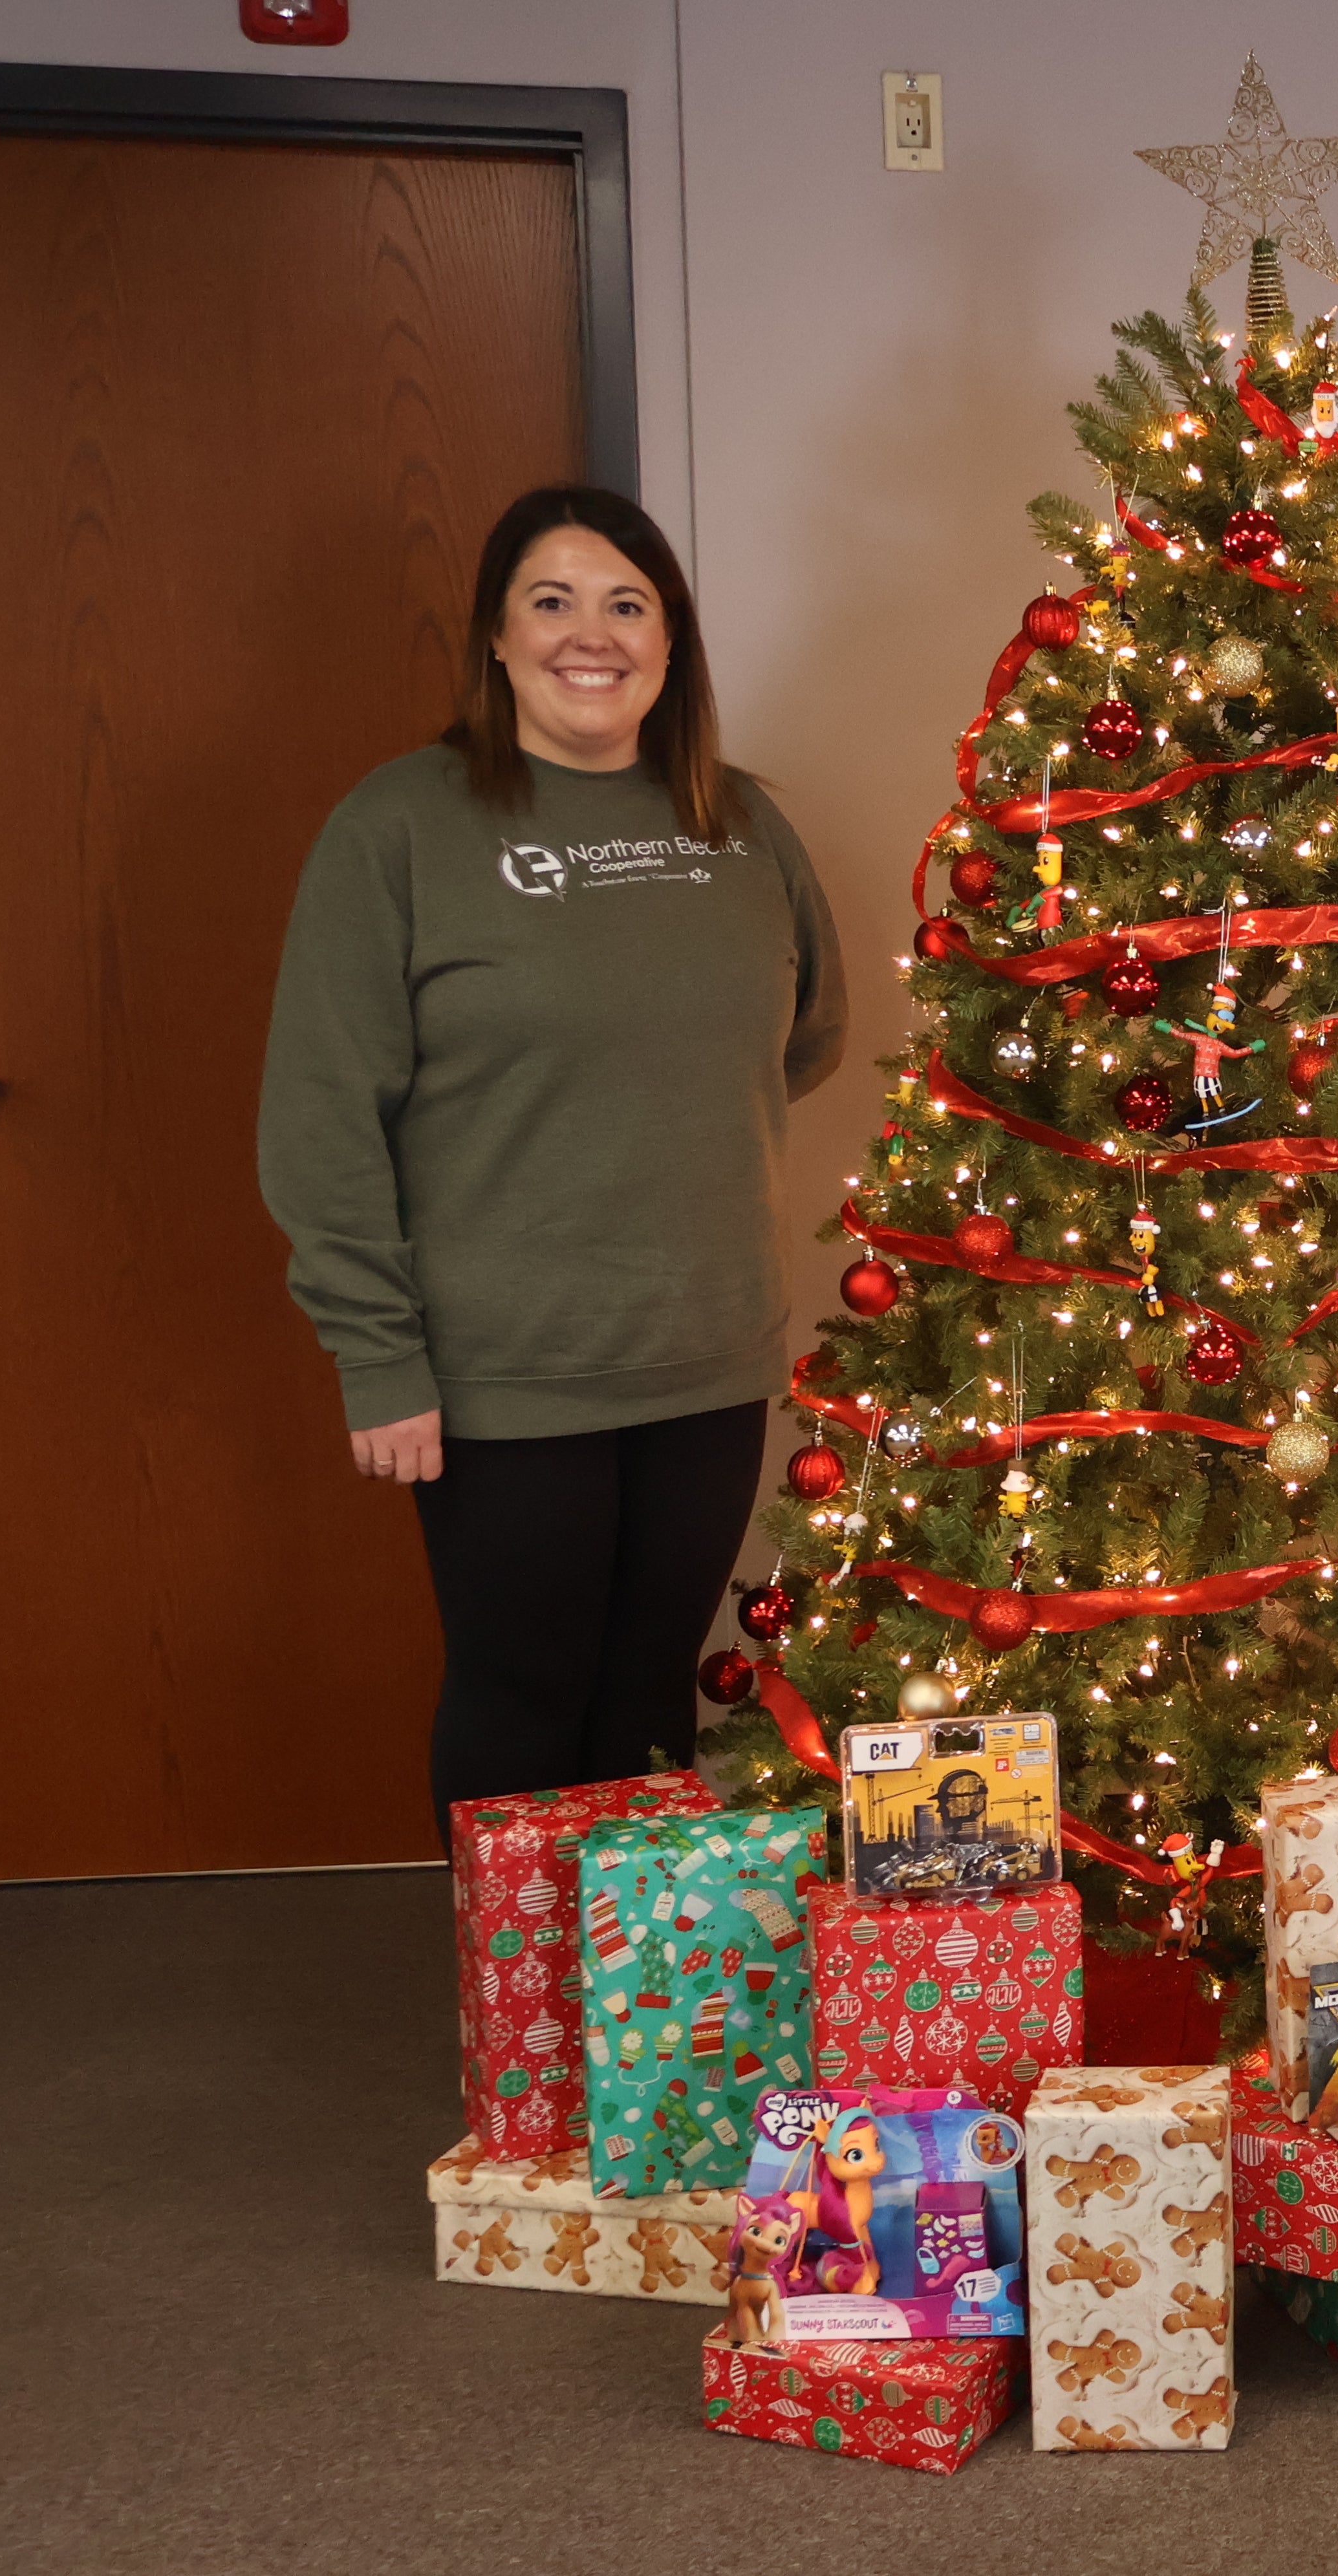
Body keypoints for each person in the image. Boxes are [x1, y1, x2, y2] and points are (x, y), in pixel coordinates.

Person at [259, 485, 848, 1824]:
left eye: (629, 603)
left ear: (671, 641)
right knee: (522, 1699)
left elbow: (800, 1036)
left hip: (705, 1351)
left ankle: (622, 2031)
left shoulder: (740, 823)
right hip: (499, 1371)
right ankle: (516, 2027)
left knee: (646, 1699)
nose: (595, 633)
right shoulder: (401, 826)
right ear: (497, 641)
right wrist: (378, 1351)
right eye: (553, 600)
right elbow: (320, 1112)